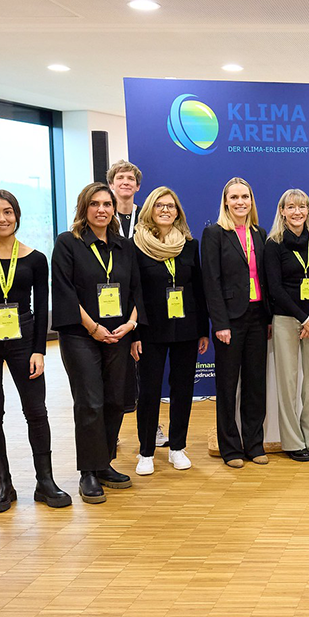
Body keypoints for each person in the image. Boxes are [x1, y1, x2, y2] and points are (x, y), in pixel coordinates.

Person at [0, 189, 70, 512]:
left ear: (17, 214)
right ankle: (4, 483)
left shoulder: (35, 258)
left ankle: (45, 481)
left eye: (7, 211)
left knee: (36, 411)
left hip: (24, 337)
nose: (1, 218)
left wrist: (39, 350)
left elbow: (43, 307)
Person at [52, 182, 145, 503]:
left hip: (119, 334)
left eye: (107, 204)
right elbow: (64, 291)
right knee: (90, 402)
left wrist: (131, 324)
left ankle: (104, 463)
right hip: (81, 335)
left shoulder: (124, 246)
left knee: (116, 400)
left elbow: (136, 290)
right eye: (95, 204)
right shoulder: (68, 243)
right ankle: (88, 472)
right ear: (84, 208)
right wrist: (92, 327)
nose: (102, 209)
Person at [131, 187, 208, 475]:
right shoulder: (136, 245)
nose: (166, 210)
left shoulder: (189, 245)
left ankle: (177, 447)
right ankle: (146, 451)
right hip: (150, 330)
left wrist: (203, 330)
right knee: (150, 391)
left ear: (178, 212)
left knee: (183, 389)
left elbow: (198, 289)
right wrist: (134, 334)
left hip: (186, 328)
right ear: (150, 209)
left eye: (171, 206)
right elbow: (132, 293)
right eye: (160, 205)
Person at [202, 177, 272, 468]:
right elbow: (211, 282)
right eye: (234, 197)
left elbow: (264, 279)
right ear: (226, 201)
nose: (241, 202)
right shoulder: (214, 233)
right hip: (230, 320)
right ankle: (230, 448)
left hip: (258, 317)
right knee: (228, 386)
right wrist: (220, 323)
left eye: (245, 196)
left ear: (251, 201)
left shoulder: (259, 232)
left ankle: (254, 444)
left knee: (256, 385)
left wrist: (268, 317)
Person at [265, 188, 309, 461]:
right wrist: (303, 318)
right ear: (282, 211)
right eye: (291, 207)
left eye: (302, 207)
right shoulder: (273, 244)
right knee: (288, 383)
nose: (297, 212)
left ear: (308, 210)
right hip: (286, 320)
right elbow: (275, 288)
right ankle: (293, 443)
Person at [106, 158, 170, 449]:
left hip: (143, 301)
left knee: (147, 371)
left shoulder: (148, 216)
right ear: (112, 184)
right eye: (120, 178)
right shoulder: (103, 215)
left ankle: (151, 425)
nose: (125, 183)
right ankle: (113, 430)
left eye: (131, 179)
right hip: (110, 303)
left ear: (138, 186)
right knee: (115, 374)